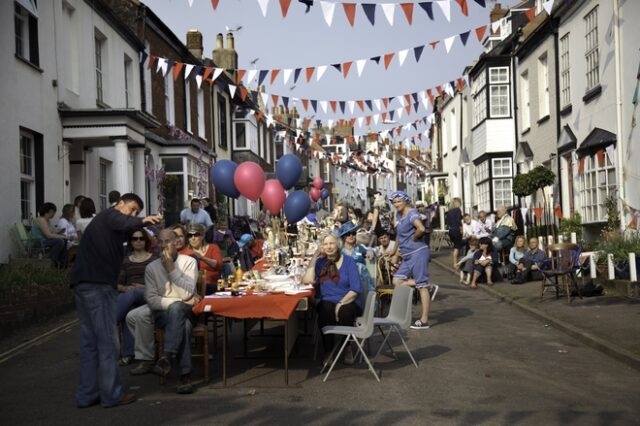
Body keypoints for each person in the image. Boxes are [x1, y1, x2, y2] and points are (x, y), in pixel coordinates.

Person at [70, 193, 162, 408]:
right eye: (131, 209)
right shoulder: (109, 215)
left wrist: (142, 228)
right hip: (98, 286)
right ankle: (111, 394)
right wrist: (143, 219)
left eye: (136, 212)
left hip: (83, 284)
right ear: (119, 203)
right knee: (107, 342)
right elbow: (122, 220)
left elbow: (126, 228)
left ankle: (87, 394)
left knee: (89, 343)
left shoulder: (108, 224)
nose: (132, 214)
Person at [146, 229, 199, 394]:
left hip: (188, 310)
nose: (163, 245)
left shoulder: (189, 262)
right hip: (164, 313)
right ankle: (185, 376)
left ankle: (166, 357)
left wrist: (171, 270)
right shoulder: (151, 268)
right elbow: (152, 300)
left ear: (176, 243)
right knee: (184, 326)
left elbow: (187, 293)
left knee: (181, 313)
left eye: (167, 241)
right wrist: (177, 302)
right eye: (160, 242)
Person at [301, 233, 361, 362]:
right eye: (325, 244)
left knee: (346, 311)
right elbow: (308, 280)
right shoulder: (321, 263)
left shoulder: (349, 261)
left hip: (347, 299)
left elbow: (355, 289)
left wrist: (340, 303)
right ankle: (328, 350)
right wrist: (316, 255)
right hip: (327, 300)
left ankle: (347, 346)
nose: (329, 247)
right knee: (325, 309)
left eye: (332, 243)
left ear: (338, 245)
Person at [389, 191, 435, 330]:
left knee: (421, 287)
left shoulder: (412, 213)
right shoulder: (399, 214)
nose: (396, 204)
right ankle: (427, 285)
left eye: (398, 201)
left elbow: (421, 228)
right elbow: (399, 234)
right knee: (397, 280)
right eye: (394, 202)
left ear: (406, 201)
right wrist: (394, 250)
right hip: (407, 255)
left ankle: (424, 320)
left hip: (418, 252)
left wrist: (414, 238)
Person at [116, 230, 157, 366]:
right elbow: (119, 284)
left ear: (146, 241)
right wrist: (125, 288)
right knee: (129, 309)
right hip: (130, 296)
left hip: (148, 293)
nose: (138, 241)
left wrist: (141, 287)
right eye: (134, 239)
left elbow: (159, 283)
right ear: (131, 242)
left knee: (134, 293)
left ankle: (110, 319)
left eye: (141, 238)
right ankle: (128, 354)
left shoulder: (154, 259)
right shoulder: (126, 261)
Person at [339, 222, 375, 297]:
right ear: (343, 237)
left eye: (353, 233)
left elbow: (372, 250)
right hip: (346, 281)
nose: (351, 235)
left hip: (362, 280)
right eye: (348, 234)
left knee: (360, 267)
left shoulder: (360, 248)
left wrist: (370, 251)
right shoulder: (340, 251)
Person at [30, 202, 69, 268]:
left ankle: (62, 264)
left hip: (43, 241)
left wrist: (61, 232)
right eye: (54, 212)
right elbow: (48, 235)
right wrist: (63, 236)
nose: (54, 214)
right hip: (37, 242)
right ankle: (51, 262)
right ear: (50, 211)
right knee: (59, 241)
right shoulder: (41, 220)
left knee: (63, 240)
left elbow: (52, 231)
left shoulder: (47, 220)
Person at [186, 224, 222, 294]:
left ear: (202, 236)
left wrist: (202, 258)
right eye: (190, 236)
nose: (193, 238)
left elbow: (219, 265)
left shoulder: (213, 248)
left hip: (211, 285)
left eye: (196, 235)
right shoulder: (185, 252)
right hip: (191, 286)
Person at [445, 198, 464, 269]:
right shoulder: (457, 210)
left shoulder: (449, 212)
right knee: (457, 247)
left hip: (451, 231)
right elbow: (458, 221)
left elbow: (448, 222)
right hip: (456, 230)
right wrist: (461, 229)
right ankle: (455, 263)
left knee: (456, 247)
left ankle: (456, 262)